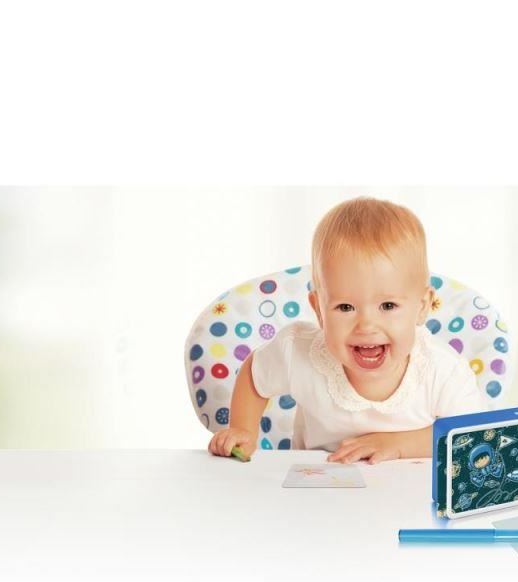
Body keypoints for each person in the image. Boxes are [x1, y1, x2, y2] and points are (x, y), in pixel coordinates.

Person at [208, 197, 486, 463]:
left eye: (388, 305)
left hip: (409, 491)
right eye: (345, 307)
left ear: (422, 306)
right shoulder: (298, 352)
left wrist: (398, 445)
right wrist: (243, 429)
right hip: (318, 484)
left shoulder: (442, 370)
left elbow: (472, 437)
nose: (366, 326)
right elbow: (255, 375)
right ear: (319, 310)